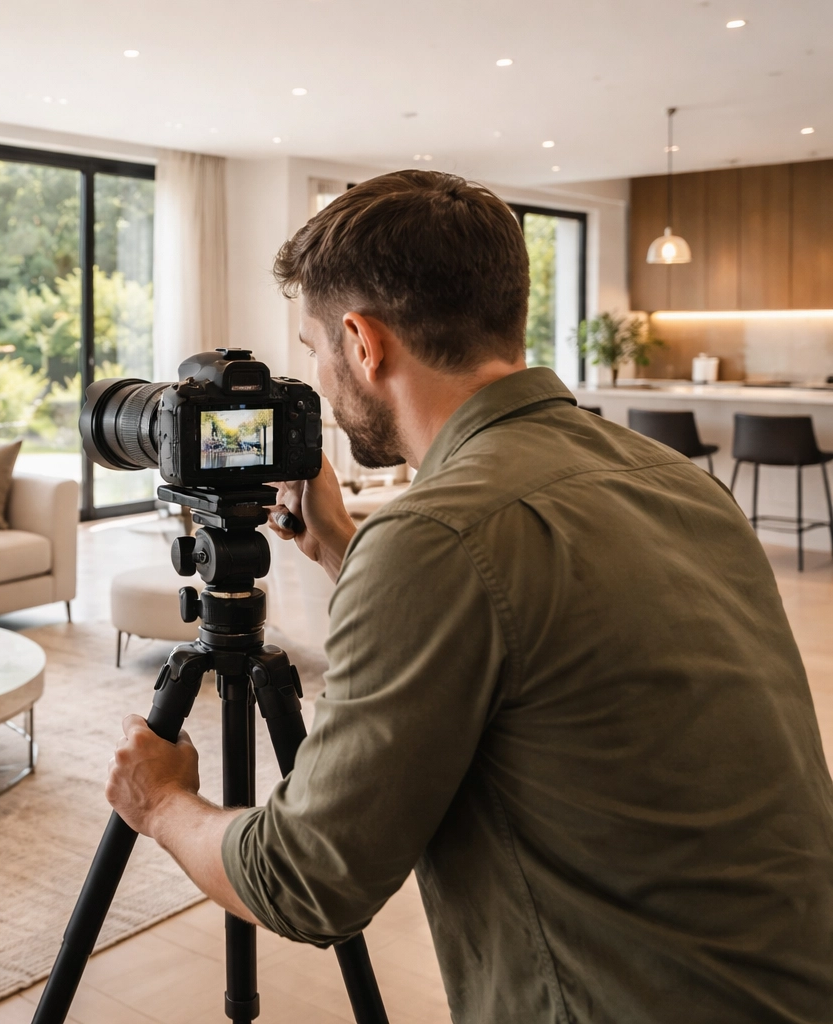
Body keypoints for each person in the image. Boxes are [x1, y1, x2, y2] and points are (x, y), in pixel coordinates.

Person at [105, 169, 833, 1022]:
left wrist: (163, 803)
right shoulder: (677, 481)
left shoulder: (438, 537)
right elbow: (520, 628)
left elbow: (305, 883)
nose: (320, 382)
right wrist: (344, 546)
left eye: (313, 349)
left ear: (362, 342)